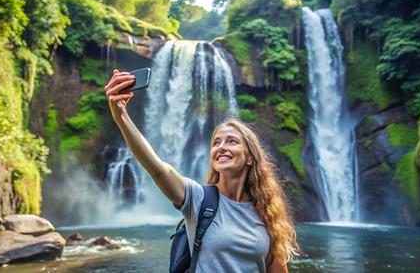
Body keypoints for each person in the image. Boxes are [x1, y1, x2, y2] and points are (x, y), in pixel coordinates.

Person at [104, 69, 300, 272]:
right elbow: (157, 169)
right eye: (216, 142)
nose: (221, 147)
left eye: (231, 141)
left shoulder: (266, 213)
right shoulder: (198, 199)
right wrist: (121, 117)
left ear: (250, 157)